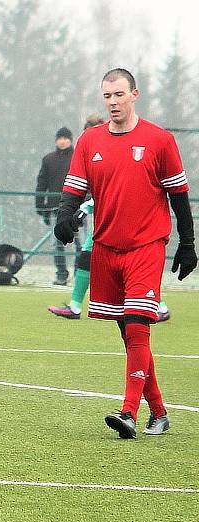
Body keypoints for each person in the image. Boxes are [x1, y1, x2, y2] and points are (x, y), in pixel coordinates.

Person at [55, 68, 196, 439]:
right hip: (106, 247)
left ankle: (129, 412)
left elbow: (179, 195)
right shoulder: (89, 141)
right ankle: (160, 412)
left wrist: (187, 242)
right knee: (130, 334)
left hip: (146, 247)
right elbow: (74, 189)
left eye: (119, 94)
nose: (113, 102)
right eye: (107, 96)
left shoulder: (159, 140)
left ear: (135, 94)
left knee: (136, 324)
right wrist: (64, 218)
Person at [36, 126, 81, 285]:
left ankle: (79, 274)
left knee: (79, 243)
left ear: (70, 140)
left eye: (65, 138)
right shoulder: (48, 159)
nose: (62, 141)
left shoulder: (78, 157)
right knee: (57, 243)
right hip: (55, 207)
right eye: (60, 138)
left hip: (77, 207)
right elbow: (42, 183)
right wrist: (41, 206)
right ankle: (61, 273)